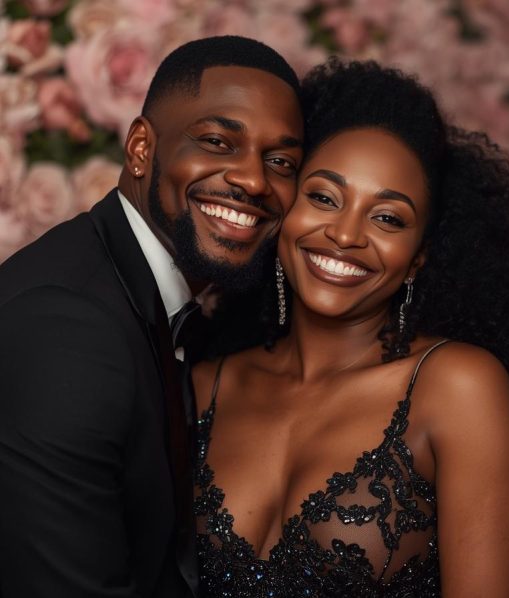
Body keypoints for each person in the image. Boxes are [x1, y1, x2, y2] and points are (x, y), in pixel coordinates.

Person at [190, 59, 509, 597]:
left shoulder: (456, 388)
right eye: (324, 198)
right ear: (283, 209)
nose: (346, 235)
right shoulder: (202, 384)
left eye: (388, 218)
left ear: (419, 257)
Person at [0, 36, 304, 597]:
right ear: (141, 147)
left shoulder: (133, 289)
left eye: (280, 161)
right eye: (217, 141)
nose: (255, 180)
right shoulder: (67, 329)